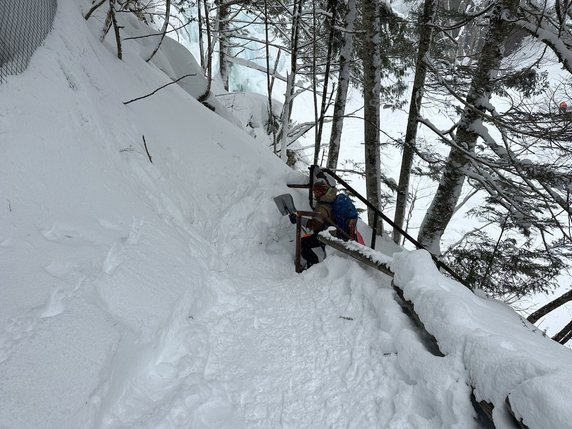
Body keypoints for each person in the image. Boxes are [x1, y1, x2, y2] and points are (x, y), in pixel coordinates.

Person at [289, 178, 337, 270]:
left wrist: (299, 220)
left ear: (322, 191)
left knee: (303, 243)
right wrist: (319, 173)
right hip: (327, 232)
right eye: (314, 191)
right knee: (305, 241)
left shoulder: (323, 207)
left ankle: (313, 265)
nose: (315, 193)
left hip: (326, 235)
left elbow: (315, 224)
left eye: (317, 191)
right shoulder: (328, 196)